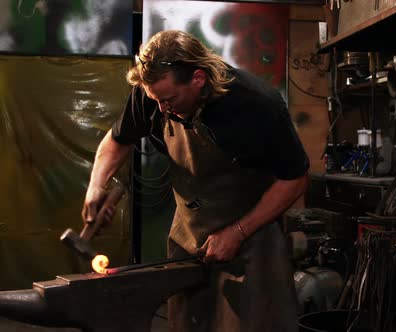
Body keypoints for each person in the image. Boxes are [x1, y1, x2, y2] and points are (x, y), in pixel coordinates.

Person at [81, 30, 309, 332]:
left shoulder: (256, 105)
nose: (161, 109)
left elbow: (295, 179)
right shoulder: (154, 93)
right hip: (188, 234)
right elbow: (116, 142)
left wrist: (237, 233)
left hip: (252, 236)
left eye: (169, 99)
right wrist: (96, 186)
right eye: (155, 100)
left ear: (198, 79)